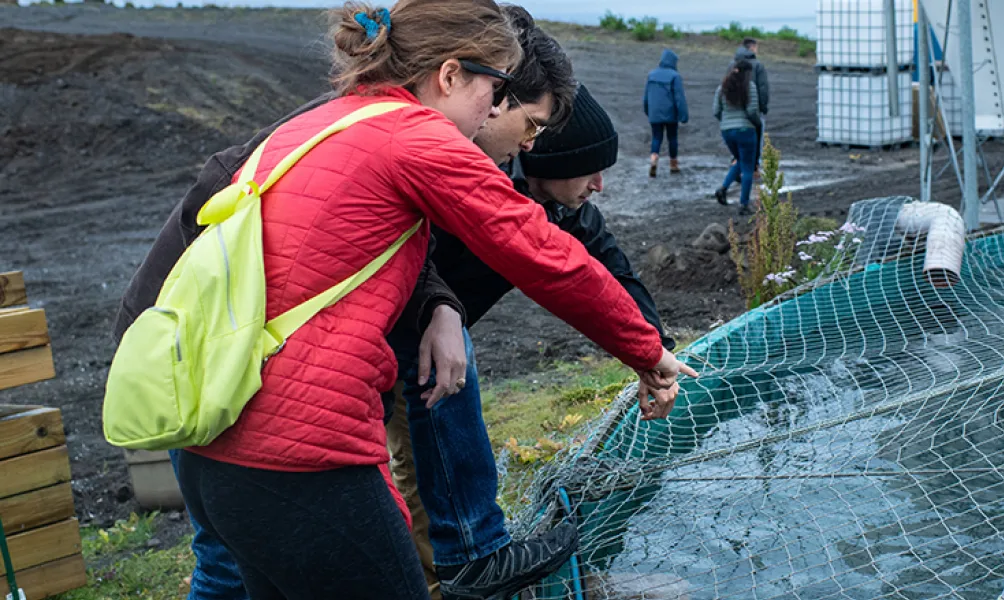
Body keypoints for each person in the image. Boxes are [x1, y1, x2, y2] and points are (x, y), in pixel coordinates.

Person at [111, 0, 694, 597]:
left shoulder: (325, 123)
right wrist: (649, 352)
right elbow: (546, 255)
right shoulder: (418, 137)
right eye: (491, 91)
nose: (494, 110)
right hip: (302, 453)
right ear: (449, 75)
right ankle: (473, 554)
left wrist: (440, 304)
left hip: (218, 440)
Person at [387, 83, 677, 600]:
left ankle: (446, 577)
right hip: (395, 337)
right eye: (590, 170)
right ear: (550, 158)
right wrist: (440, 308)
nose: (600, 185)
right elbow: (410, 251)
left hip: (436, 339)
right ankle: (441, 583)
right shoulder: (484, 184)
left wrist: (656, 349)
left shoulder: (570, 208)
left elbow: (614, 271)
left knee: (429, 463)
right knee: (420, 474)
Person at [713, 60, 762, 216]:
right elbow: (752, 111)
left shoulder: (722, 87)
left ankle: (723, 189)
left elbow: (716, 111)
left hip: (727, 131)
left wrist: (726, 122)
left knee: (740, 159)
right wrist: (757, 124)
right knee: (748, 166)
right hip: (745, 130)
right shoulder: (750, 87)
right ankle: (744, 204)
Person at [643, 48, 689, 177]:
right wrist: (683, 116)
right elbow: (679, 98)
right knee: (672, 138)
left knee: (656, 137)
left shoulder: (651, 75)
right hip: (670, 114)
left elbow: (646, 96)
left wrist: (647, 110)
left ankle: (653, 158)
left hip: (654, 113)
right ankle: (673, 164)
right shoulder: (675, 76)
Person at [732, 37, 769, 170]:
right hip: (753, 107)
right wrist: (763, 107)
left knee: (737, 135)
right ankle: (754, 166)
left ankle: (736, 161)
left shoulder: (732, 64)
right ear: (752, 47)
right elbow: (763, 88)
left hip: (734, 107)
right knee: (756, 135)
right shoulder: (757, 65)